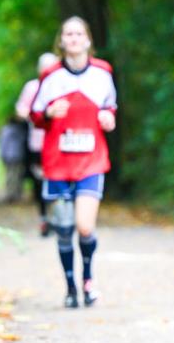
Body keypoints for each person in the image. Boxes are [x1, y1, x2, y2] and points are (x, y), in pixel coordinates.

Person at [30, 17, 117, 309]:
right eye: (69, 33)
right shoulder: (51, 76)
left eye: (80, 33)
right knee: (63, 227)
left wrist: (108, 118)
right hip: (57, 162)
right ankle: (70, 287)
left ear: (88, 39)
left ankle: (88, 281)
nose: (75, 38)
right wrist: (50, 113)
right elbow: (35, 114)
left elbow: (110, 106)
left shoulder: (103, 72)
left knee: (83, 226)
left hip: (91, 160)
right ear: (62, 41)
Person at [16, 52, 60, 236]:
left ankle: (60, 218)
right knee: (40, 181)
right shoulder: (32, 87)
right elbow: (21, 110)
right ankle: (44, 218)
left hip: (60, 143)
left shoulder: (63, 86)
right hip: (37, 143)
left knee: (59, 180)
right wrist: (34, 115)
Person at [0, 115, 28, 202]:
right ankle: (16, 194)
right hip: (18, 155)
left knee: (10, 175)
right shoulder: (21, 131)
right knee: (17, 175)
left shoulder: (5, 130)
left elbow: (2, 144)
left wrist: (2, 155)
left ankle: (10, 193)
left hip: (8, 156)